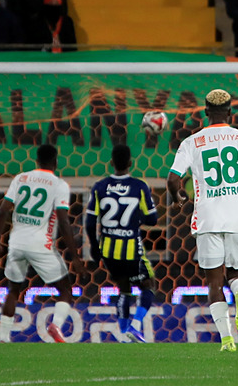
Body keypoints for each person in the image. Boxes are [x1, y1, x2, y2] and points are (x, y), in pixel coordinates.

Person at [167, 89, 238, 352]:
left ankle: (226, 339)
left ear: (205, 112)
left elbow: (172, 180)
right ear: (231, 113)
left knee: (214, 282)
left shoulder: (192, 142)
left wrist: (178, 198)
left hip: (207, 219)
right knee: (237, 274)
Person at [0, 144, 85, 343]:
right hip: (41, 244)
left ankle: (4, 337)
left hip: (16, 242)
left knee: (14, 290)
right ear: (56, 162)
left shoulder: (20, 178)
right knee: (65, 289)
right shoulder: (59, 185)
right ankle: (55, 325)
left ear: (37, 160)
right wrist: (75, 256)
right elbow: (64, 221)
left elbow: (3, 211)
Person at [85, 145, 159, 343]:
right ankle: (135, 326)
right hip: (131, 250)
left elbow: (90, 221)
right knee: (148, 285)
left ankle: (125, 333)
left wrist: (93, 246)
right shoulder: (138, 186)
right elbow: (152, 220)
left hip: (108, 250)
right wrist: (136, 217)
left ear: (111, 163)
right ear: (130, 163)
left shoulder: (100, 186)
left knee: (124, 288)